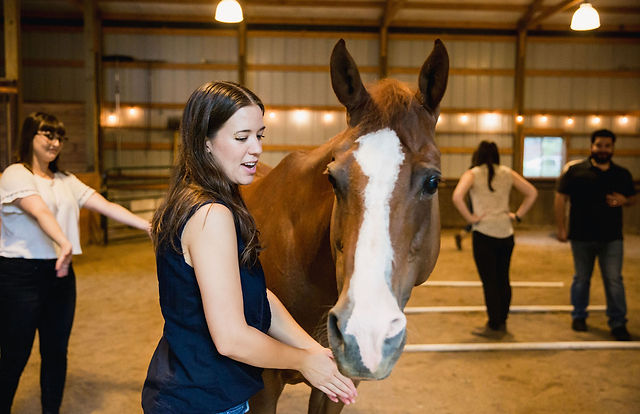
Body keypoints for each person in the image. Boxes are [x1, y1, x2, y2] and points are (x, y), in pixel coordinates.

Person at [141, 81, 357, 414]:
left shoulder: (211, 201)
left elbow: (258, 296)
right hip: (199, 400)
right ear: (206, 143)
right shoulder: (210, 215)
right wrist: (302, 361)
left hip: (203, 391)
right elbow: (231, 338)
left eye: (260, 135)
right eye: (242, 138)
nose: (255, 148)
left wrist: (314, 350)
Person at [0, 112, 150, 413]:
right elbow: (40, 212)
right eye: (48, 135)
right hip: (19, 276)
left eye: (59, 138)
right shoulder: (16, 174)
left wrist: (147, 225)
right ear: (30, 136)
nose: (55, 143)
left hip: (60, 275)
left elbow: (105, 205)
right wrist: (64, 241)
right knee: (15, 354)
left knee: (56, 352)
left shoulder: (66, 180)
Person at [554, 129, 636, 341]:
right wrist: (561, 228)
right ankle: (579, 316)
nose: (603, 149)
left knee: (614, 280)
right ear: (592, 146)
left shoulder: (621, 174)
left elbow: (634, 197)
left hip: (612, 238)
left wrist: (625, 201)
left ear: (613, 148)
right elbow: (560, 197)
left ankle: (618, 322)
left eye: (607, 146)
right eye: (599, 145)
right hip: (581, 236)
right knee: (581, 278)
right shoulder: (575, 171)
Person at [452, 141, 537, 339]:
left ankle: (494, 324)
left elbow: (457, 197)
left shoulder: (472, 174)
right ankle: (502, 321)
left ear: (477, 155)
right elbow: (532, 193)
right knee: (503, 279)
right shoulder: (507, 172)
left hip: (484, 233)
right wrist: (518, 215)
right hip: (506, 232)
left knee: (489, 282)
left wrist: (471, 219)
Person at [454, 149, 478, 250]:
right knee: (475, 221)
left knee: (474, 222)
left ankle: (461, 235)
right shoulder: (475, 170)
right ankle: (461, 236)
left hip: (472, 198)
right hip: (475, 199)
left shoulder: (471, 169)